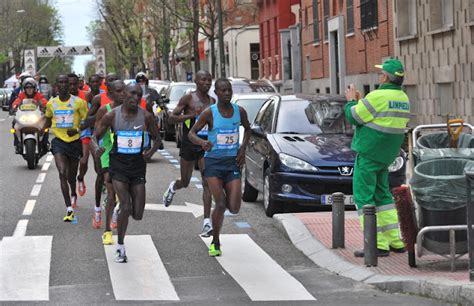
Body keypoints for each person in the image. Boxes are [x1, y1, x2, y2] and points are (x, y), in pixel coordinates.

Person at [344, 58, 410, 257]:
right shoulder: (403, 97)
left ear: (385, 77)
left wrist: (351, 100)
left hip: (369, 152)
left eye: (381, 73)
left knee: (363, 197)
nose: (379, 75)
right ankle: (395, 240)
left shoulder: (378, 95)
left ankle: (376, 244)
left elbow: (353, 116)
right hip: (387, 154)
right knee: (383, 196)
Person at [94, 83, 162, 262]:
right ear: (124, 94)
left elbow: (158, 138)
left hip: (138, 165)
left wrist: (151, 151)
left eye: (139, 95)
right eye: (132, 93)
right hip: (118, 165)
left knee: (137, 214)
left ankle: (121, 210)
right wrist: (96, 148)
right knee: (126, 206)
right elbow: (95, 137)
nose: (135, 97)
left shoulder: (146, 116)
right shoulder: (112, 115)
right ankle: (120, 246)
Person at [188, 78, 251, 256]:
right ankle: (215, 241)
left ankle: (216, 231)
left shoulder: (240, 111)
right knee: (221, 204)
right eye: (223, 91)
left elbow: (248, 129)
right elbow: (191, 133)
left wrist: (242, 149)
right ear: (216, 93)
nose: (226, 93)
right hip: (213, 163)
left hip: (232, 162)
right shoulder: (210, 113)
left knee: (235, 207)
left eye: (229, 90)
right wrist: (202, 143)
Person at [162, 70, 214, 236]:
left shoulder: (212, 101)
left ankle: (207, 222)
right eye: (203, 80)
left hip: (204, 145)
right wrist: (191, 115)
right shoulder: (188, 98)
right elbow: (171, 118)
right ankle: (173, 187)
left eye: (209, 80)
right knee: (185, 181)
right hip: (189, 143)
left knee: (207, 183)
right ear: (197, 82)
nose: (207, 83)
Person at [43, 75, 88, 221]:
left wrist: (77, 130)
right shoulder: (51, 103)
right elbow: (48, 119)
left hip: (74, 142)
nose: (63, 85)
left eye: (66, 83)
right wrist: (39, 132)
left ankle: (73, 191)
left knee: (71, 176)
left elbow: (86, 121)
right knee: (62, 172)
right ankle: (69, 208)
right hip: (59, 142)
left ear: (70, 85)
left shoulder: (79, 103)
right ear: (56, 85)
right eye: (60, 82)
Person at [90, 80, 126, 241]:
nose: (122, 94)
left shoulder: (133, 110)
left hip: (127, 154)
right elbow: (95, 136)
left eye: (123, 90)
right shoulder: (105, 110)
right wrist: (97, 148)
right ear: (110, 94)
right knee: (111, 192)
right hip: (108, 153)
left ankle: (116, 210)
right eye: (118, 91)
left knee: (126, 193)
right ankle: (107, 231)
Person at [69, 73, 92, 197]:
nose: (72, 86)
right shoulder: (61, 98)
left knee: (83, 162)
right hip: (68, 133)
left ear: (79, 83)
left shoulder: (86, 95)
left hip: (84, 131)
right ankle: (73, 193)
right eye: (70, 84)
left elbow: (95, 109)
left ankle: (81, 177)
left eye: (74, 83)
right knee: (69, 167)